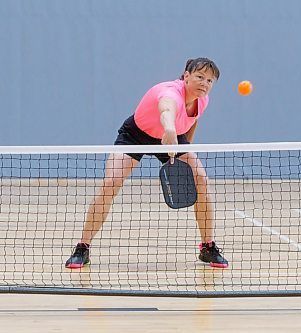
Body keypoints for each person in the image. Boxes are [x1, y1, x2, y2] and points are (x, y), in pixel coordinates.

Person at [65, 57, 228, 269]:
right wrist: (169, 129)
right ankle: (82, 247)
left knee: (201, 180)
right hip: (137, 135)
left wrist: (184, 147)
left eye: (209, 80)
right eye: (199, 77)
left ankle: (207, 248)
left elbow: (192, 120)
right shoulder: (170, 92)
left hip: (175, 138)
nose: (204, 83)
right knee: (110, 184)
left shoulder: (202, 99)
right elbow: (166, 109)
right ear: (186, 76)